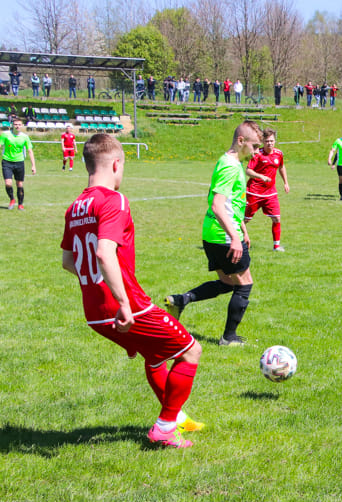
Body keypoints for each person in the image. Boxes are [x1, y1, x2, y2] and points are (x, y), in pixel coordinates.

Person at [61, 133, 204, 449]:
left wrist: (98, 288)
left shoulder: (75, 207)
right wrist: (123, 302)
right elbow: (103, 252)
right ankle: (165, 427)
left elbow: (69, 261)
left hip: (94, 312)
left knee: (155, 357)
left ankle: (176, 417)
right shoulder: (114, 200)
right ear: (115, 164)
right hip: (126, 307)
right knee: (191, 351)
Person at [165, 121, 263, 347]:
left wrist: (243, 229)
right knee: (244, 284)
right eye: (254, 146)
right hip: (224, 237)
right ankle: (229, 338)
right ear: (241, 141)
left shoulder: (228, 161)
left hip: (212, 234)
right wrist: (235, 237)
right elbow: (218, 206)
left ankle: (181, 300)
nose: (256, 152)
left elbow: (231, 204)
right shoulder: (230, 166)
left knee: (228, 282)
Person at [244, 129, 290, 252]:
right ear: (263, 141)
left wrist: (285, 182)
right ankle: (231, 237)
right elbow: (248, 170)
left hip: (270, 193)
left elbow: (281, 167)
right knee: (245, 220)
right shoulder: (257, 154)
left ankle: (276, 246)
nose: (270, 143)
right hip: (254, 192)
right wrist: (261, 176)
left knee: (276, 218)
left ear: (275, 141)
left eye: (272, 141)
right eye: (267, 141)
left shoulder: (279, 153)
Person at [1, 117, 37, 210]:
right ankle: (12, 199)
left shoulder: (25, 137)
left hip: (19, 162)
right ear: (12, 125)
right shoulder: (5, 135)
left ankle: (20, 204)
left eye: (19, 124)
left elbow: (30, 151)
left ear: (22, 125)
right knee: (8, 183)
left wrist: (33, 165)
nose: (17, 126)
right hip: (7, 162)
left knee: (19, 184)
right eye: (15, 124)